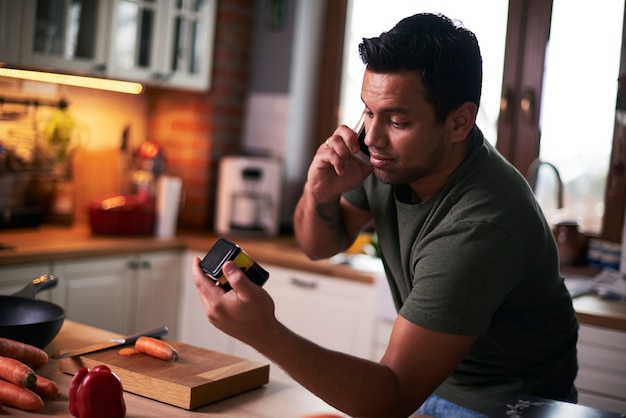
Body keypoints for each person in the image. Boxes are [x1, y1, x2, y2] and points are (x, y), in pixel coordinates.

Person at [192, 13, 579, 417]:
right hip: (431, 387)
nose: (372, 138)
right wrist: (319, 192)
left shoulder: (480, 224)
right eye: (369, 112)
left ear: (460, 122)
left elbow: (391, 397)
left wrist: (263, 332)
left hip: (507, 405)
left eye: (397, 120)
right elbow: (319, 245)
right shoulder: (387, 156)